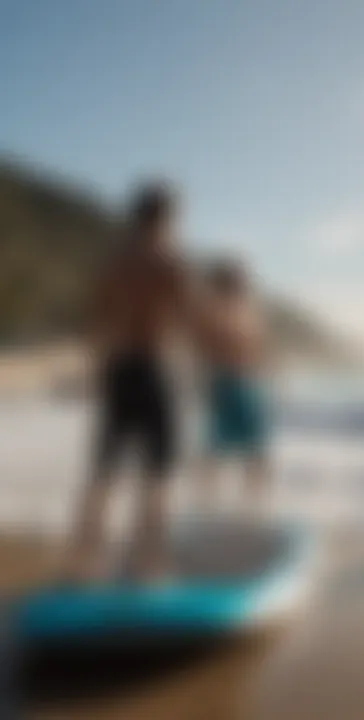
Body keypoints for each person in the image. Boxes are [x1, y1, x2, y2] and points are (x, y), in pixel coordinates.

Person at [64, 182, 189, 581]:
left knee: (104, 470)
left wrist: (96, 374)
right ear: (168, 217)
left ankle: (82, 561)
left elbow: (94, 324)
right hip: (152, 366)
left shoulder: (114, 263)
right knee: (157, 472)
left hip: (118, 369)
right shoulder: (169, 260)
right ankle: (147, 564)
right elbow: (186, 318)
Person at [193, 260, 272, 514]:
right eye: (238, 280)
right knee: (220, 451)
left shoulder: (248, 312)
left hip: (247, 384)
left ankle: (252, 507)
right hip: (227, 384)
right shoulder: (215, 312)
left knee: (253, 450)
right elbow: (203, 353)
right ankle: (209, 505)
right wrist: (206, 384)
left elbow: (260, 350)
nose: (244, 284)